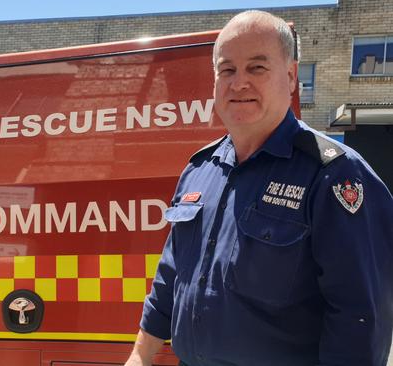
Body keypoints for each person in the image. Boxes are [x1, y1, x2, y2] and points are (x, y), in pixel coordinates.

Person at [125, 10, 393, 366]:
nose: (239, 83)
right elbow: (172, 274)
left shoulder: (334, 175)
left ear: (291, 76)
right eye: (227, 70)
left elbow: (359, 318)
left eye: (257, 68)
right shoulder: (200, 169)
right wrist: (140, 356)